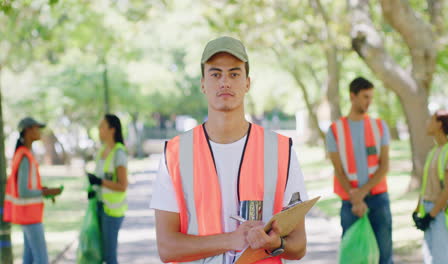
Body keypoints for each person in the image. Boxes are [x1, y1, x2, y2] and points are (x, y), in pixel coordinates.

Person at [150, 36, 309, 263]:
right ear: (203, 83)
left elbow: (299, 246)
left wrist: (277, 244)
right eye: (216, 74)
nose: (225, 82)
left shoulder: (281, 150)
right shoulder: (175, 153)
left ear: (247, 83)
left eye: (234, 74)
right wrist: (231, 240)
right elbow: (167, 247)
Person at [326, 77, 393, 264]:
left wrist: (360, 194)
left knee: (384, 257)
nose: (369, 101)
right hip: (350, 203)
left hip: (378, 199)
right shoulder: (334, 130)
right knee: (353, 257)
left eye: (371, 97)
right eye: (365, 97)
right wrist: (354, 197)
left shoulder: (380, 126)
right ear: (352, 96)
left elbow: (384, 166)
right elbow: (338, 169)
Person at [3, 117, 62, 264]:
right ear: (28, 131)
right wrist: (45, 193)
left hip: (28, 214)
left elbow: (27, 186)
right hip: (30, 215)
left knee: (29, 258)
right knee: (41, 259)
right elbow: (23, 191)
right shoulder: (24, 156)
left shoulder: (24, 154)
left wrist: (43, 189)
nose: (39, 131)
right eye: (37, 128)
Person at [413, 110, 448, 264]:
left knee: (440, 259)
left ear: (440, 124)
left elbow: (447, 189)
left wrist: (431, 216)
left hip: (440, 213)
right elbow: (426, 186)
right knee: (429, 258)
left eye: (431, 120)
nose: (427, 123)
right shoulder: (434, 151)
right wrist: (418, 210)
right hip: (429, 210)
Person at [87, 114, 128, 264]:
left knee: (109, 256)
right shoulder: (103, 150)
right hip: (99, 206)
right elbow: (102, 177)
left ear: (112, 129)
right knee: (101, 255)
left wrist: (99, 181)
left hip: (112, 211)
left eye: (102, 126)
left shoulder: (119, 153)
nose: (99, 129)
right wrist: (93, 185)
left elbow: (122, 185)